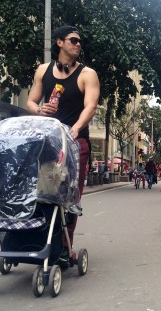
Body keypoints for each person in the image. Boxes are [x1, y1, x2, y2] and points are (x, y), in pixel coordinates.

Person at [26, 25, 100, 259]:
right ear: (59, 42)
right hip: (48, 141)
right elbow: (30, 101)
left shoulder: (87, 74)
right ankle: (38, 240)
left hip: (76, 144)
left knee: (69, 197)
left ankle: (63, 248)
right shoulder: (42, 71)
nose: (78, 44)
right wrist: (39, 109)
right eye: (73, 40)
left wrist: (75, 129)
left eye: (80, 41)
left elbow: (91, 106)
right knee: (42, 192)